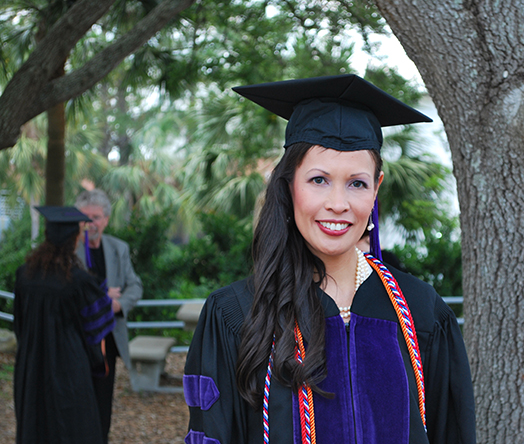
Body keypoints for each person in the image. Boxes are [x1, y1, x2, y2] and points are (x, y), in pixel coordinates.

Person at [184, 74, 476, 444]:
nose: (338, 204)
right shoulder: (235, 315)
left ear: (376, 189)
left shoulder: (422, 313)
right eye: (319, 180)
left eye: (357, 183)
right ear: (288, 186)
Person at [13, 206, 116, 443]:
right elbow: (99, 326)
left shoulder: (23, 275)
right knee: (72, 426)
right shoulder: (79, 281)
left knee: (34, 422)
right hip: (68, 367)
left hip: (31, 365)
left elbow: (19, 323)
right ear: (73, 240)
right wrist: (97, 361)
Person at [75, 189, 143, 443]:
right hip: (79, 339)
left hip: (109, 339)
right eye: (85, 217)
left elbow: (135, 286)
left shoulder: (118, 248)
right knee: (78, 399)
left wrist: (117, 305)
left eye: (96, 217)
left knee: (103, 401)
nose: (90, 223)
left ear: (106, 219)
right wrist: (105, 295)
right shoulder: (70, 249)